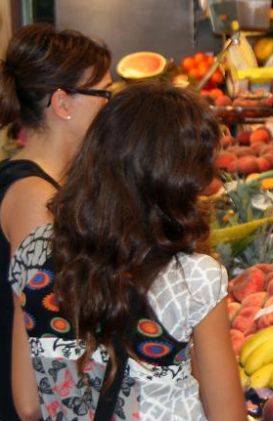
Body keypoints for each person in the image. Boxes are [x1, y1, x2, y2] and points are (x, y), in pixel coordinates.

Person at [9, 82, 246, 420]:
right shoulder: (195, 277)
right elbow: (228, 415)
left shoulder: (34, 250)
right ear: (177, 180)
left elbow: (29, 405)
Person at [0, 24, 111, 421]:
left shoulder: (39, 182)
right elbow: (32, 388)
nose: (109, 107)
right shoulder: (35, 200)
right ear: (62, 103)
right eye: (103, 94)